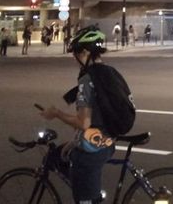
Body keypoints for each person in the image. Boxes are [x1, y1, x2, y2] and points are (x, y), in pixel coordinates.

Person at [38, 28, 116, 204]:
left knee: (85, 200)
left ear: (86, 53)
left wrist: (56, 113)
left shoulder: (87, 79)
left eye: (76, 55)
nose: (76, 60)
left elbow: (84, 122)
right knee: (58, 155)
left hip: (92, 150)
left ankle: (89, 195)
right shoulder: (108, 73)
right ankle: (91, 192)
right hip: (107, 142)